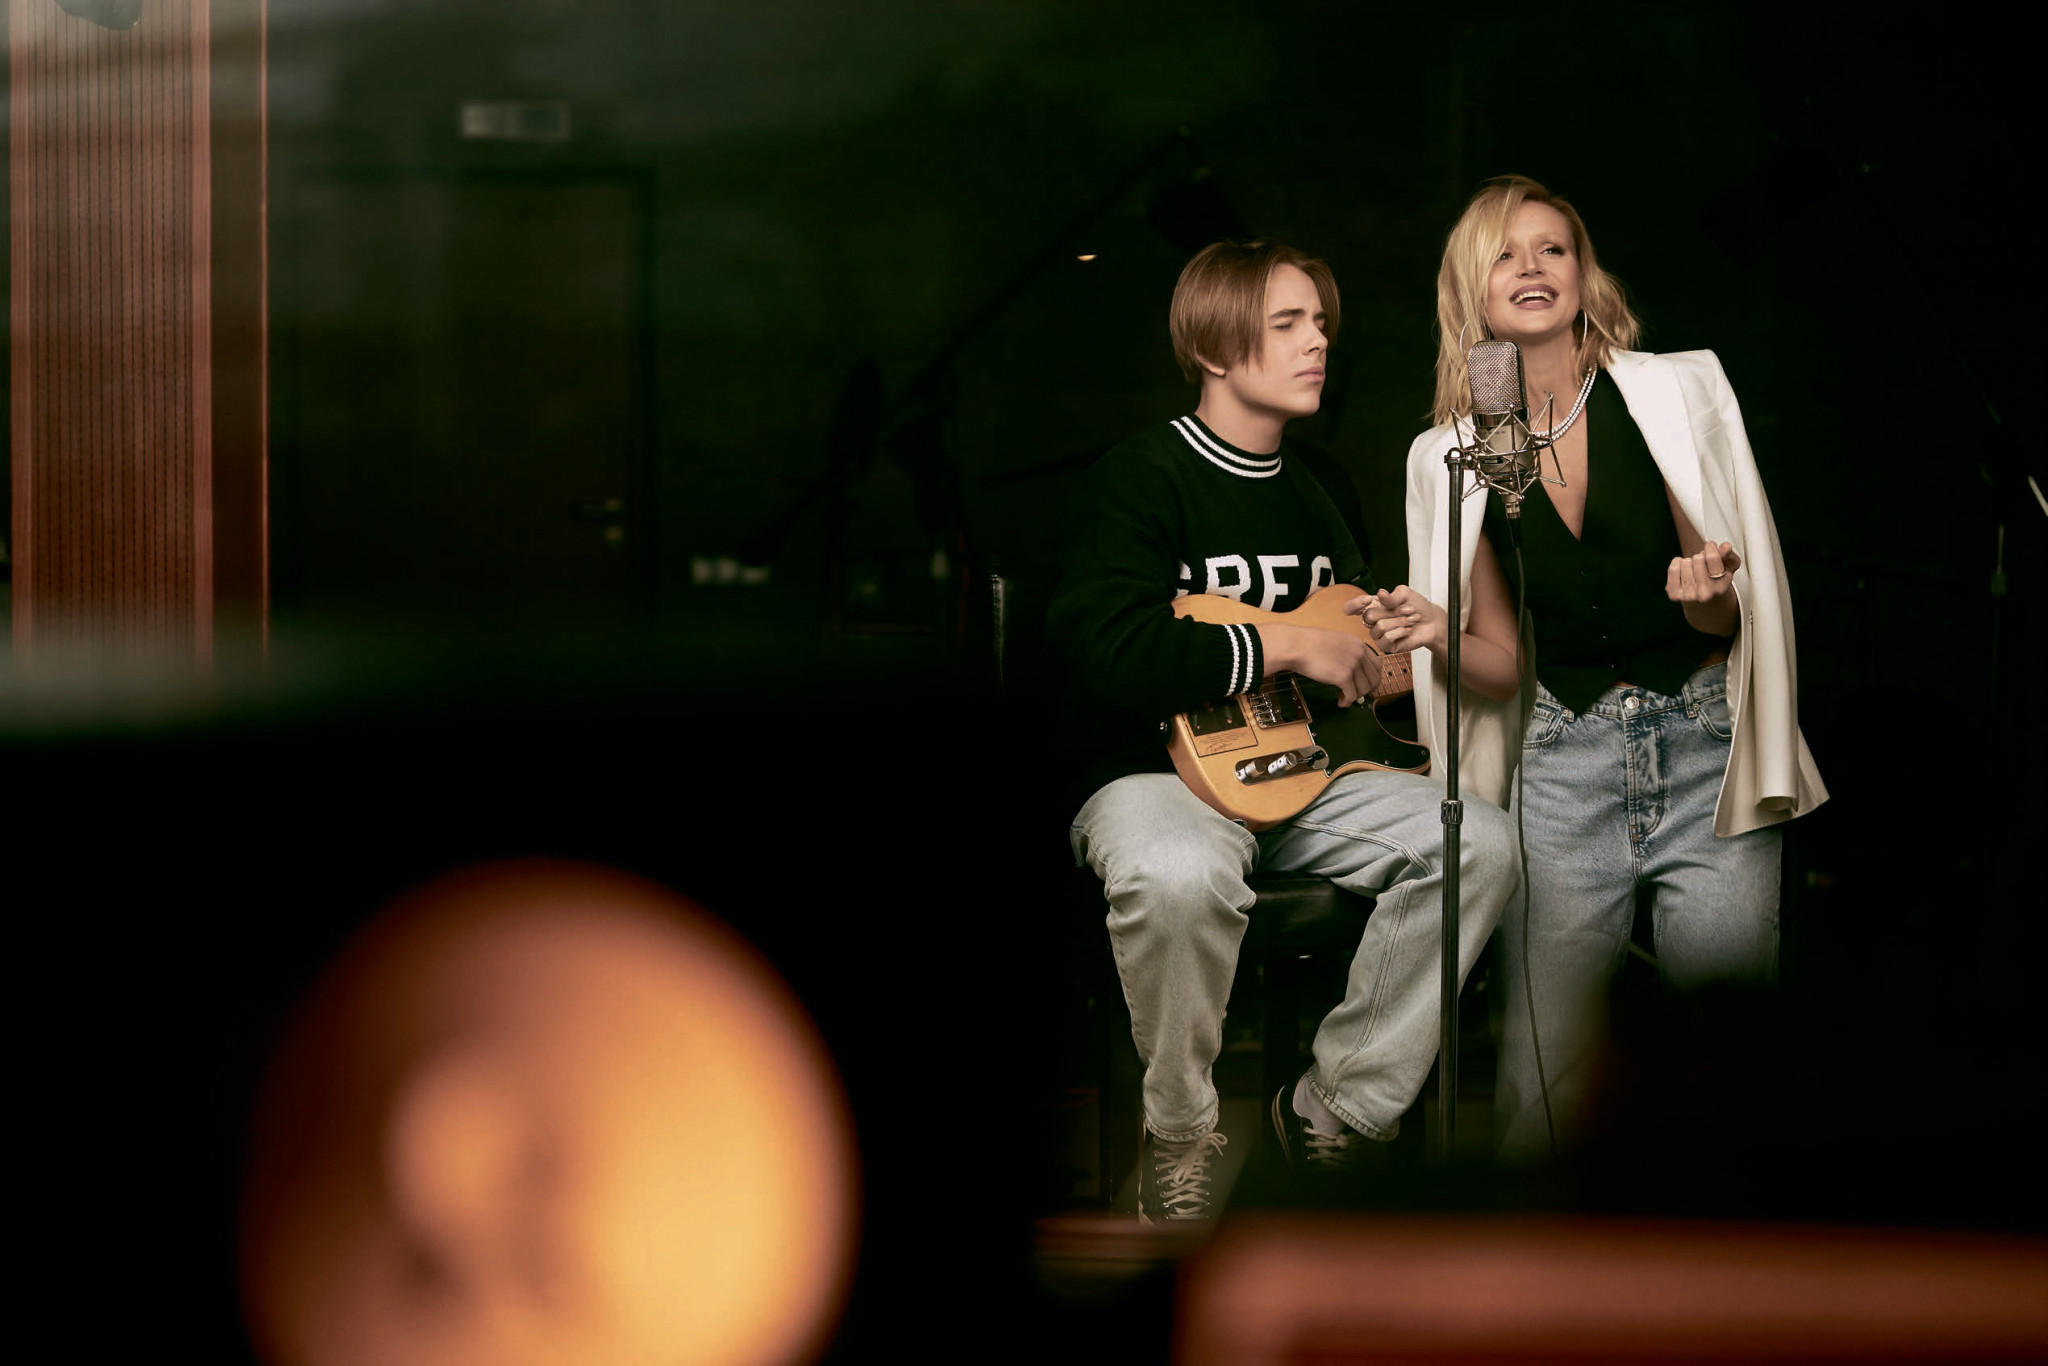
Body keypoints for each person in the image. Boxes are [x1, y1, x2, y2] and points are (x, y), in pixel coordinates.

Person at [1050, 240, 1517, 1223]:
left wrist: (1400, 644)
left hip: (1301, 772)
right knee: (1176, 874)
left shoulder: (1319, 485)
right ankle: (1180, 1132)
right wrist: (1290, 643)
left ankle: (1334, 1110)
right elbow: (1111, 649)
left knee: (1475, 841)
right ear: (1214, 348)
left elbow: (1350, 652)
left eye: (1320, 323)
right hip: (1155, 776)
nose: (1318, 344)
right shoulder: (1137, 476)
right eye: (1288, 324)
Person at [1365, 176, 1828, 1163]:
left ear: (1582, 272)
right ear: (1471, 289)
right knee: (1548, 1092)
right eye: (1503, 253)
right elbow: (1499, 666)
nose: (1531, 267)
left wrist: (1705, 589)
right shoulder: (1459, 451)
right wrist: (1437, 629)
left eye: (1552, 248)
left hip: (1702, 748)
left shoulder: (1671, 391)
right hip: (1560, 769)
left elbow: (1723, 610)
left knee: (1730, 1067)